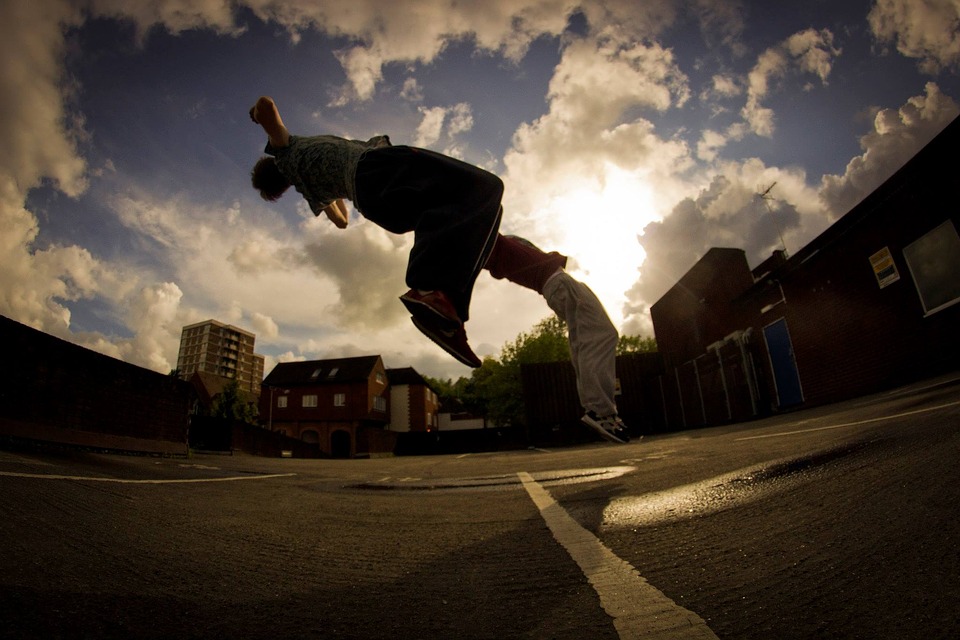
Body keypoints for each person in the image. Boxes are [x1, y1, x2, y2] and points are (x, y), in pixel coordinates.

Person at [249, 95, 629, 443]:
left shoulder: (307, 185)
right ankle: (432, 289)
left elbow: (341, 220)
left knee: (479, 219)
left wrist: (333, 196)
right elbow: (268, 109)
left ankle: (444, 310)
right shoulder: (287, 151)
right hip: (380, 171)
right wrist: (260, 118)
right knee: (485, 188)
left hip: (382, 201)